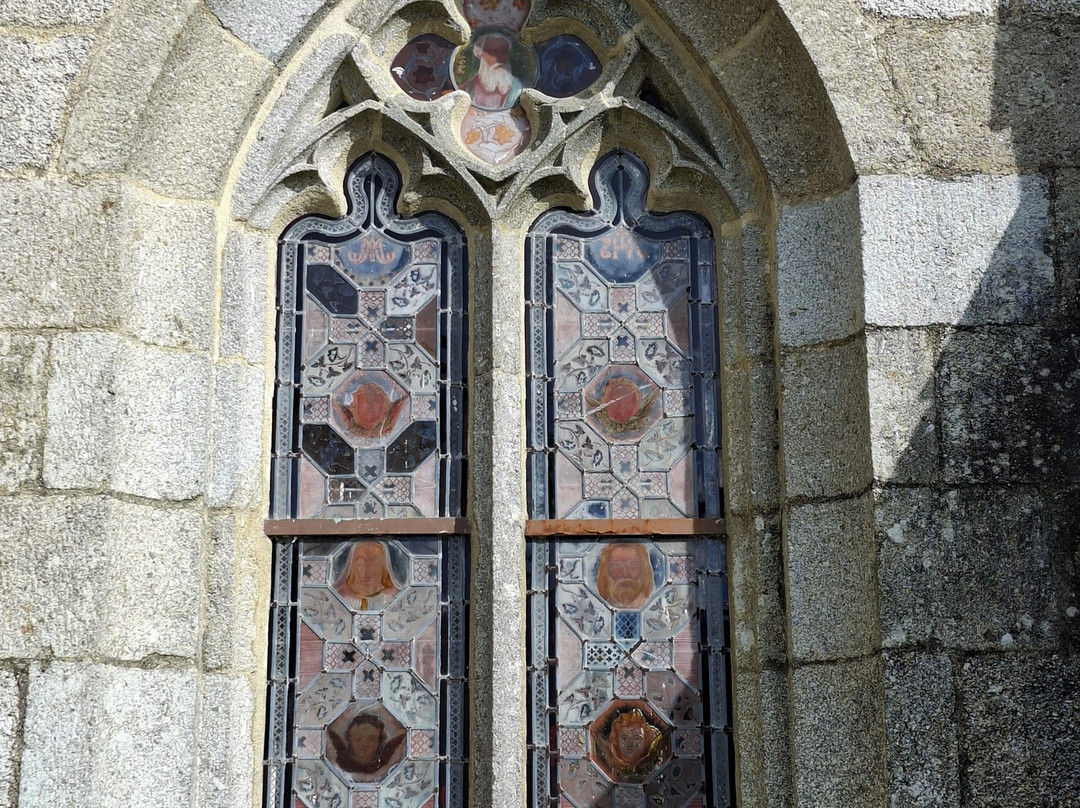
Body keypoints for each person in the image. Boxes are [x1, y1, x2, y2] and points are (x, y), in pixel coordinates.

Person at [593, 708, 667, 781]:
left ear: (646, 740)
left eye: (637, 738)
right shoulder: (605, 764)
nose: (630, 743)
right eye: (624, 738)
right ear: (616, 740)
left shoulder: (654, 766)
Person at [328, 712, 405, 778]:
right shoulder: (341, 761)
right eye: (358, 739)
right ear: (349, 740)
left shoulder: (387, 760)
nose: (365, 744)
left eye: (372, 739)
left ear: (379, 741)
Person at [459, 33, 523, 110]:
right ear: (479, 52)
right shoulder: (467, 88)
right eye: (493, 52)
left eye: (504, 51)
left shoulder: (517, 88)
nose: (499, 58)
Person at [335, 541, 401, 611]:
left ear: (385, 567)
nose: (367, 570)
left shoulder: (396, 599)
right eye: (361, 563)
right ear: (351, 567)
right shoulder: (338, 599)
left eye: (375, 563)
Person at [595, 542, 654, 609]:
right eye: (616, 566)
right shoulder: (597, 609)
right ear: (606, 571)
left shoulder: (654, 608)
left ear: (643, 569)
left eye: (633, 565)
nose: (625, 574)